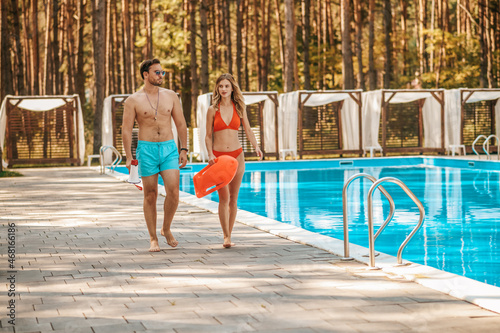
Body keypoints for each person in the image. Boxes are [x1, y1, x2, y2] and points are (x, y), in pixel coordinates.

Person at [122, 58, 188, 252]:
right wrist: (128, 156)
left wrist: (184, 149)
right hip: (146, 150)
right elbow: (126, 130)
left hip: (168, 148)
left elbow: (181, 124)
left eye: (162, 72)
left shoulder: (171, 96)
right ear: (146, 75)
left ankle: (166, 228)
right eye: (157, 72)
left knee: (174, 192)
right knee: (150, 195)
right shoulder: (133, 100)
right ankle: (153, 238)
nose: (161, 75)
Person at [205, 73, 263, 248]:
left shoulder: (239, 107)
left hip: (238, 156)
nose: (223, 89)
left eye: (226, 86)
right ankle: (225, 235)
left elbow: (248, 130)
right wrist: (210, 154)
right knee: (223, 198)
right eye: (220, 86)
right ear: (217, 88)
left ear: (232, 88)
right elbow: (208, 136)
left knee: (233, 198)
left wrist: (256, 147)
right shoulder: (212, 110)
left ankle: (230, 234)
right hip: (219, 158)